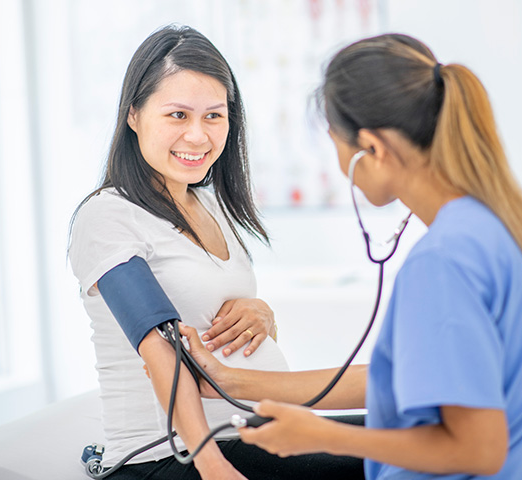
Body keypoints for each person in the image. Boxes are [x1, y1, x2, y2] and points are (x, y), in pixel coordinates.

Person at [176, 33, 522, 480]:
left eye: (337, 145)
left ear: (372, 149)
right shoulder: (495, 230)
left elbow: (477, 449)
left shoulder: (442, 264)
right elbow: (406, 382)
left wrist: (319, 436)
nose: (339, 165)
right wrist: (234, 382)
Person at [68, 25, 363, 479]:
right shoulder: (108, 217)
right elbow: (159, 345)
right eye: (177, 115)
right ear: (133, 115)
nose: (199, 136)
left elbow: (219, 328)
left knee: (411, 431)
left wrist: (264, 316)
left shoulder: (210, 203)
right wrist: (211, 465)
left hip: (253, 430)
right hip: (170, 455)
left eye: (213, 116)